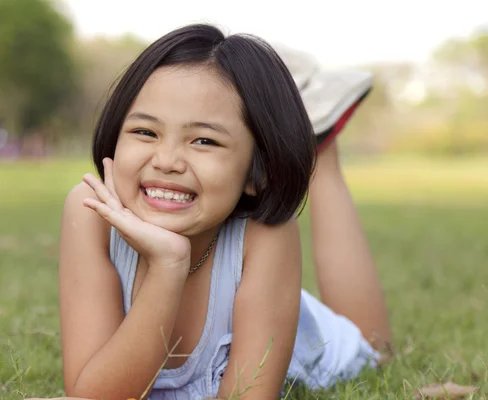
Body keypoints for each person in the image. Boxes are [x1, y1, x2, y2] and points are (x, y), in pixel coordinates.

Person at [43, 23, 392, 400]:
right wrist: (166, 268)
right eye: (145, 132)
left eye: (204, 140)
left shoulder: (265, 233)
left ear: (256, 172)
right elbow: (92, 395)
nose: (167, 161)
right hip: (253, 291)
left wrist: (169, 267)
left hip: (296, 327)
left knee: (376, 351)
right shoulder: (89, 212)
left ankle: (319, 147)